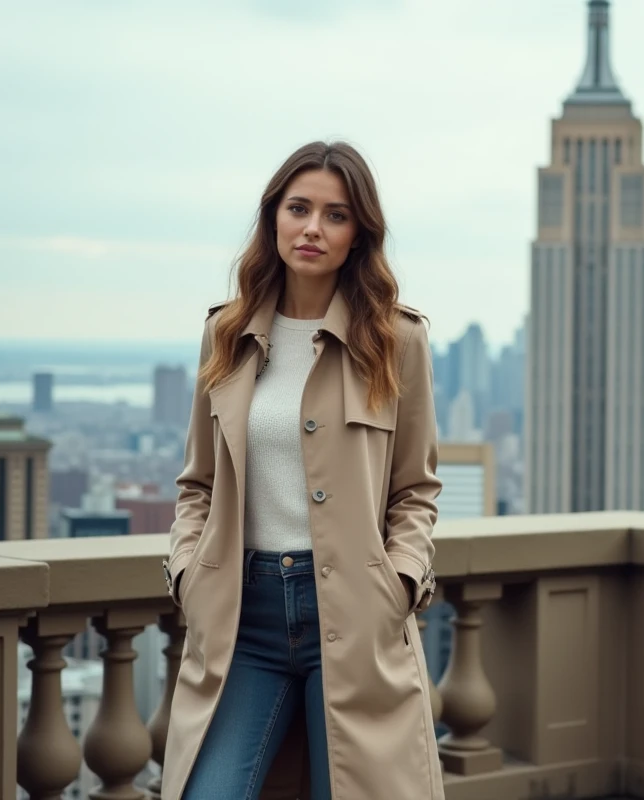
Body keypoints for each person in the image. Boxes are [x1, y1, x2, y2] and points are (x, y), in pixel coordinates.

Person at [160, 141, 444, 800]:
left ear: (358, 235)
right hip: (241, 616)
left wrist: (397, 583)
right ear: (274, 219)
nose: (313, 228)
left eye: (335, 215)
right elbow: (196, 483)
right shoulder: (225, 334)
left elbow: (416, 490)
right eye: (299, 208)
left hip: (354, 617)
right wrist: (187, 576)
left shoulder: (396, 341)